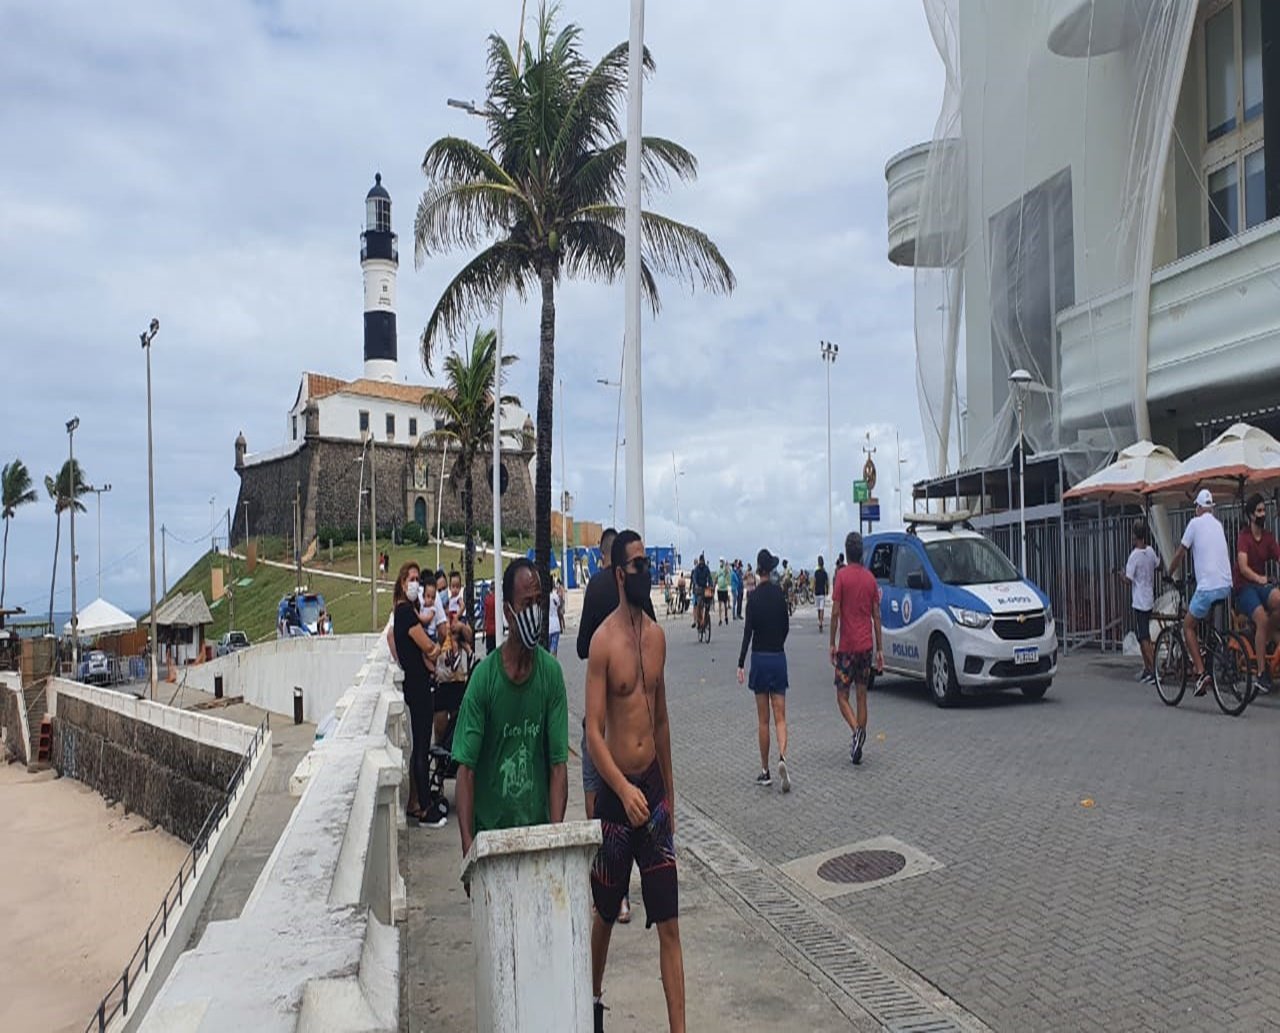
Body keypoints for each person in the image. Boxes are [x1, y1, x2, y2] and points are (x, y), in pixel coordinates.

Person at [586, 530, 682, 1033]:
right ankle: (592, 1000)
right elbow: (592, 731)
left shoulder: (659, 637)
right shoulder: (603, 642)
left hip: (654, 794)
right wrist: (621, 791)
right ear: (621, 574)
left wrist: (669, 794)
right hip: (617, 799)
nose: (647, 571)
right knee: (604, 913)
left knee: (669, 920)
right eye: (639, 564)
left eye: (649, 562)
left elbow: (661, 721)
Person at [452, 558, 569, 852]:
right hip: (491, 840)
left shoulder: (551, 675)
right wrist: (469, 848)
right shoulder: (484, 680)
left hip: (537, 836)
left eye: (539, 601)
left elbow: (558, 766)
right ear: (508, 612)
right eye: (526, 603)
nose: (535, 611)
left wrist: (554, 839)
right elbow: (465, 771)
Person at [576, 527, 643, 923]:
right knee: (628, 809)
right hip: (627, 721)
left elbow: (583, 645)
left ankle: (606, 890)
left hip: (598, 716)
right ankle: (622, 896)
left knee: (596, 802)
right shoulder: (630, 596)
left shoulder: (595, 588)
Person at [392, 561, 445, 827]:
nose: (414, 583)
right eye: (410, 579)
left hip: (413, 684)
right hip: (419, 687)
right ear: (403, 584)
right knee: (422, 746)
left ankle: (415, 801)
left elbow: (394, 639)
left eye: (416, 578)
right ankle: (425, 807)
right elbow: (428, 645)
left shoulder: (402, 613)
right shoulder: (406, 614)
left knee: (418, 747)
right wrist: (433, 650)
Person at [1168, 489, 1233, 696]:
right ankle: (1212, 647)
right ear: (1211, 508)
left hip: (1208, 587)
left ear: (1197, 507)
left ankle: (1202, 671)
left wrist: (1169, 572)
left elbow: (1180, 552)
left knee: (1188, 626)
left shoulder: (1194, 524)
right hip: (1226, 585)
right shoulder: (1218, 525)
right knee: (1205, 621)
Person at [736, 548, 790, 791]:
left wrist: (740, 663)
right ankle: (782, 758)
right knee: (780, 716)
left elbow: (748, 633)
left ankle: (765, 770)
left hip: (759, 659)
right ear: (772, 569)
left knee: (763, 720)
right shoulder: (780, 595)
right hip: (778, 657)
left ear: (759, 571)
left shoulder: (753, 599)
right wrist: (778, 642)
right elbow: (786, 626)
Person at [829, 531, 883, 765]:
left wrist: (832, 641)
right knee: (862, 695)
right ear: (861, 551)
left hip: (848, 646)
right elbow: (876, 616)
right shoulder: (870, 579)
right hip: (866, 646)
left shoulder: (841, 577)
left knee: (842, 696)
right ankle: (859, 737)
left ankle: (855, 731)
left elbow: (835, 612)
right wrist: (880, 648)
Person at [1233, 492, 1280, 693]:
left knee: (1278, 599)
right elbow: (1243, 567)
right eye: (1259, 511)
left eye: (1264, 510)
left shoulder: (1268, 537)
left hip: (1261, 587)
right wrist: (1260, 578)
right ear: (1251, 515)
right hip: (1244, 588)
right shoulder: (1244, 537)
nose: (1263, 514)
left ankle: (1268, 636)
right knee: (1261, 618)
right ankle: (1262, 673)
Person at [1122, 521, 1160, 684]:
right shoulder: (1150, 551)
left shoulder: (1134, 556)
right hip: (1149, 597)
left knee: (1144, 637)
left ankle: (1154, 671)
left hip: (1139, 600)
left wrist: (1120, 575)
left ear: (1134, 536)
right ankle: (1147, 669)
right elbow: (1158, 565)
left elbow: (1128, 579)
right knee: (1141, 635)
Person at [690, 553, 712, 631]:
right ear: (699, 561)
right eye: (701, 561)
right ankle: (699, 620)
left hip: (705, 588)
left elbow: (709, 578)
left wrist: (710, 585)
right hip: (698, 589)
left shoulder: (706, 568)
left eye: (703, 561)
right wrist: (695, 585)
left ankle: (706, 619)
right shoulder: (696, 569)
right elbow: (694, 578)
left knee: (708, 603)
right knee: (698, 604)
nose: (702, 563)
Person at [548, 575, 566, 656]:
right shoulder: (555, 596)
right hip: (556, 625)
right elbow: (559, 607)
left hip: (547, 626)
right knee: (554, 650)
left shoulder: (543, 597)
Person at [813, 556, 830, 634]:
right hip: (822, 592)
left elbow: (814, 582)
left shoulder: (816, 572)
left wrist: (813, 590)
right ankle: (820, 622)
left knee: (819, 608)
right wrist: (827, 590)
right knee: (822, 607)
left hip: (817, 592)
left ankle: (819, 620)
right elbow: (827, 583)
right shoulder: (825, 573)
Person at [715, 558, 731, 625]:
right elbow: (716, 578)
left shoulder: (725, 569)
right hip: (719, 589)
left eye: (722, 561)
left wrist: (727, 566)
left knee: (725, 604)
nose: (721, 562)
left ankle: (726, 617)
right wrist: (714, 585)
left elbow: (728, 571)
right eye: (720, 561)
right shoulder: (718, 570)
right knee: (720, 604)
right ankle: (720, 619)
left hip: (725, 589)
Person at [483, 586, 497, 654]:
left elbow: (485, 615)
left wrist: (483, 631)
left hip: (488, 629)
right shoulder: (496, 599)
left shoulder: (487, 599)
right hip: (496, 629)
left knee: (489, 652)